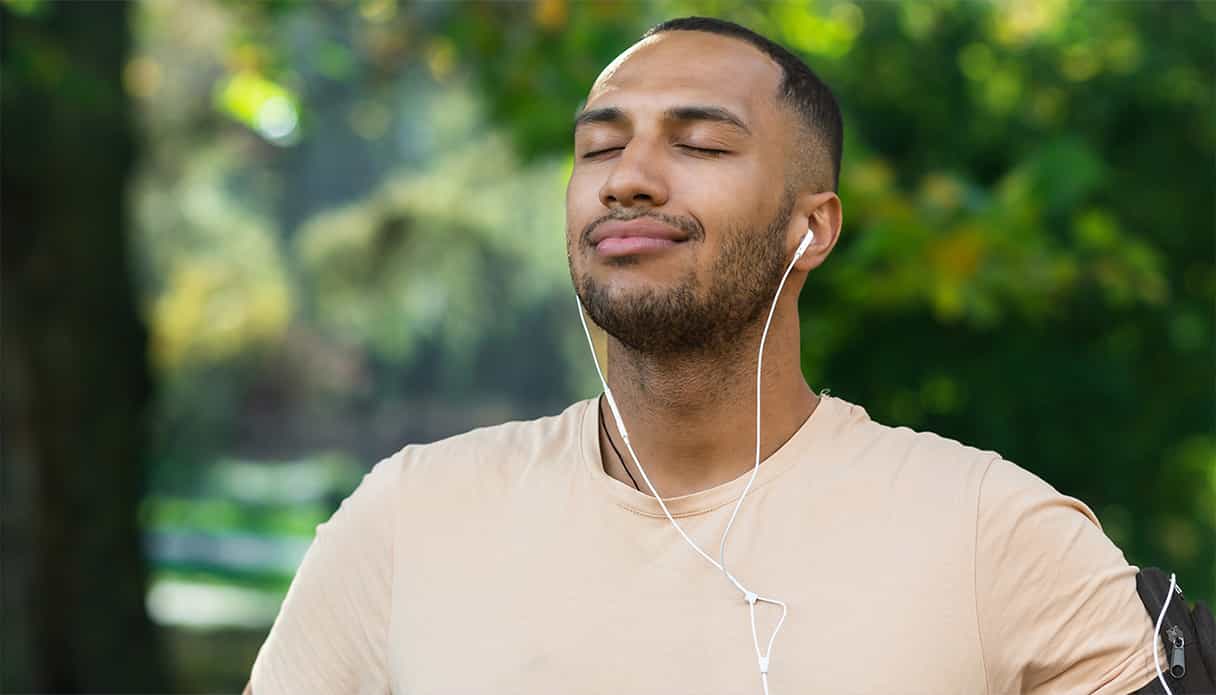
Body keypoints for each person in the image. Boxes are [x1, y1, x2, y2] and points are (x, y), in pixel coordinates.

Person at [246, 17, 1166, 695]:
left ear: (812, 229)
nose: (627, 177)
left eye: (700, 142)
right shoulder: (406, 520)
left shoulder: (996, 534)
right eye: (598, 146)